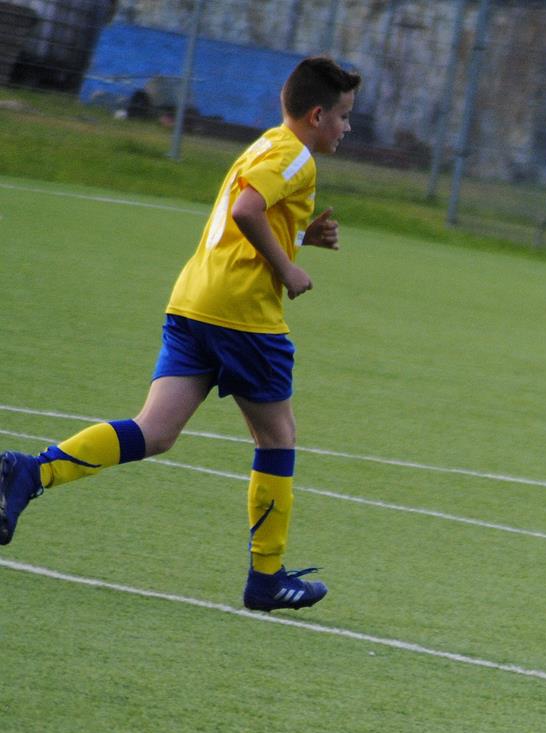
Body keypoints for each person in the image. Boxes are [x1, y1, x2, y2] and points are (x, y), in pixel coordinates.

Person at [0, 56, 361, 612]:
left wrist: (299, 236)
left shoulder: (265, 144)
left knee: (155, 430)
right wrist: (289, 269)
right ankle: (267, 578)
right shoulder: (298, 158)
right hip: (242, 316)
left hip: (194, 300)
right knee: (278, 439)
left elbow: (245, 218)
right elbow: (245, 211)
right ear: (316, 115)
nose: (347, 127)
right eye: (343, 116)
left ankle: (30, 471)